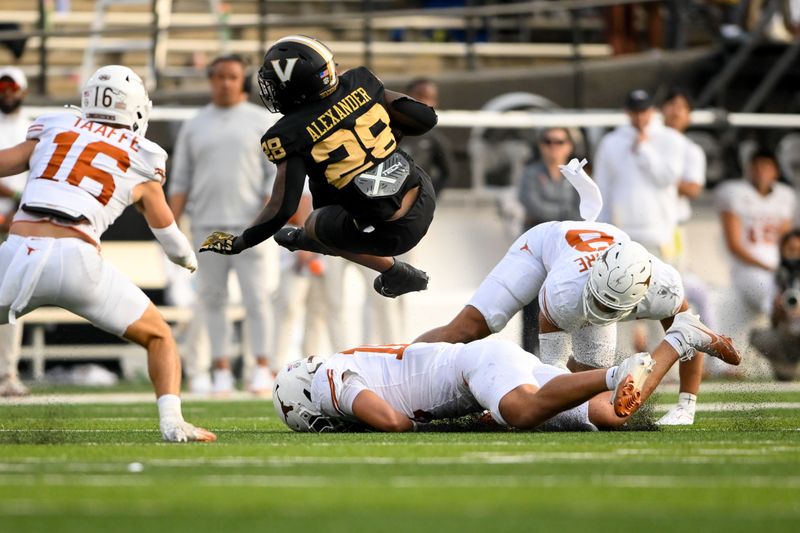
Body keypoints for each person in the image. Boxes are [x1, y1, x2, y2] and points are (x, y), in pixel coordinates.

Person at [0, 65, 215, 442]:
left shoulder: (55, 126)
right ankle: (172, 424)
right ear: (134, 108)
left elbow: (4, 164)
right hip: (77, 260)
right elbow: (171, 239)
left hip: (18, 251)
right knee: (160, 337)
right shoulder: (143, 155)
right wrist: (189, 260)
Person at [413, 210, 732, 426]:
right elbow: (549, 368)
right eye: (598, 303)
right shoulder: (565, 292)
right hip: (542, 248)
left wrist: (686, 405)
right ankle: (405, 363)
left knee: (592, 377)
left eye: (609, 309)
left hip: (596, 274)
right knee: (471, 326)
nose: (599, 314)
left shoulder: (665, 287)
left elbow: (688, 331)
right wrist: (546, 403)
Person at [199, 35, 438, 299]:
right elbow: (425, 118)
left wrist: (240, 242)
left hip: (389, 233)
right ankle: (312, 238)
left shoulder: (286, 133)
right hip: (423, 195)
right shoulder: (361, 81)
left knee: (313, 223)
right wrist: (379, 110)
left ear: (294, 85)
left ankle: (394, 271)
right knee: (344, 186)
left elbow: (282, 207)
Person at [272, 310, 740, 433]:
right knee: (610, 415)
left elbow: (391, 420)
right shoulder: (350, 362)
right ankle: (681, 338)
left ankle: (616, 371)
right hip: (482, 368)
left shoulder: (327, 378)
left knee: (520, 411)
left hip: (476, 370)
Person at [168, 54, 277, 395]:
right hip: (208, 226)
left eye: (232, 77)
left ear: (241, 80)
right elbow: (180, 180)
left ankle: (261, 366)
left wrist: (264, 222)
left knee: (256, 299)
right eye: (219, 77)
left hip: (250, 228)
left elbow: (274, 177)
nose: (225, 83)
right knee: (212, 299)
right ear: (211, 80)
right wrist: (169, 230)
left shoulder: (261, 121)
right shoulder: (195, 123)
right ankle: (221, 370)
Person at [658, 87, 712, 425]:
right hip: (641, 227)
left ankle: (674, 367)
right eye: (671, 104)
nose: (676, 111)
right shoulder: (650, 141)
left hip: (671, 229)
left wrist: (656, 177)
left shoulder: (689, 149)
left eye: (682, 106)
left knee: (674, 299)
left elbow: (693, 187)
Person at [715, 149, 796, 370]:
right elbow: (734, 244)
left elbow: (787, 241)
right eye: (756, 165)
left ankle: (784, 355)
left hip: (777, 267)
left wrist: (786, 265)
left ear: (776, 171)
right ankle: (783, 354)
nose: (760, 171)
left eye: (766, 166)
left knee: (788, 300)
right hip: (748, 267)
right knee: (778, 302)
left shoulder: (784, 196)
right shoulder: (734, 193)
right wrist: (769, 266)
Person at [516, 127, 581, 354]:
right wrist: (562, 214)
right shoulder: (530, 173)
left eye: (559, 141)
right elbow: (531, 203)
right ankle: (528, 355)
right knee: (531, 307)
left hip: (564, 251)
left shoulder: (576, 176)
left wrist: (553, 215)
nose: (554, 147)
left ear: (569, 146)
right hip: (536, 249)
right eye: (548, 141)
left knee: (561, 303)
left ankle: (559, 358)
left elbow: (581, 210)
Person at [0, 66, 29, 396]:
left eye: (12, 87)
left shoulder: (32, 127)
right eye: (2, 86)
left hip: (18, 225)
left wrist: (19, 209)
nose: (6, 92)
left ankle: (7, 373)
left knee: (10, 301)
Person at [750, 229, 800, 381]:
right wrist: (778, 310)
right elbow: (773, 322)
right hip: (787, 335)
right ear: (782, 251)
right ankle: (785, 366)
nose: (795, 255)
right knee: (759, 337)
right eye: (791, 250)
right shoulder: (775, 278)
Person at [399, 78, 454, 196]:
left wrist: (427, 196)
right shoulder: (387, 128)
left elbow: (448, 172)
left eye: (430, 98)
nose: (424, 102)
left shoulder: (433, 137)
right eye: (419, 95)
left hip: (411, 206)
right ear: (405, 96)